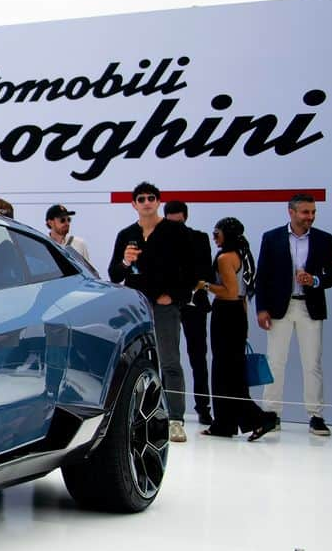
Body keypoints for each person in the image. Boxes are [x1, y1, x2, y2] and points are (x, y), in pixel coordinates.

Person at [108, 181, 196, 442]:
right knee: (138, 361)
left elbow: (191, 270)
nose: (147, 202)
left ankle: (176, 419)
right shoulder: (126, 235)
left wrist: (175, 296)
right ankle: (141, 416)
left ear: (158, 202)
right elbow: (114, 274)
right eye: (142, 199)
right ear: (134, 204)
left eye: (151, 198)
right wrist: (126, 260)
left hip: (164, 305)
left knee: (169, 361)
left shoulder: (175, 231)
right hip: (135, 306)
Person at [254, 193, 332, 436]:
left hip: (309, 306)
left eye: (313, 212)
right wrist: (261, 308)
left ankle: (316, 416)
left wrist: (314, 280)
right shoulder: (272, 237)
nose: (310, 217)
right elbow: (263, 276)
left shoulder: (324, 239)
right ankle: (272, 413)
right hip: (279, 308)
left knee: (312, 363)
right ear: (291, 212)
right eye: (305, 212)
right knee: (275, 362)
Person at [195, 218, 275, 441]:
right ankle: (227, 423)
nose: (214, 236)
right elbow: (242, 295)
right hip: (237, 315)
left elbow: (229, 292)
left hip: (225, 314)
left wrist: (204, 285)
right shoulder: (242, 255)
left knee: (224, 372)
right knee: (233, 372)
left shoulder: (225, 258)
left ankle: (254, 419)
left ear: (226, 234)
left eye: (217, 232)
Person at [163, 199, 214, 425]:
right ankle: (166, 408)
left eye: (179, 223)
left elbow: (205, 270)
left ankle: (203, 407)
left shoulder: (200, 238)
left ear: (185, 218)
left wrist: (189, 285)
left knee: (198, 357)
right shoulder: (158, 240)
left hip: (193, 302)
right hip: (168, 303)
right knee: (167, 359)